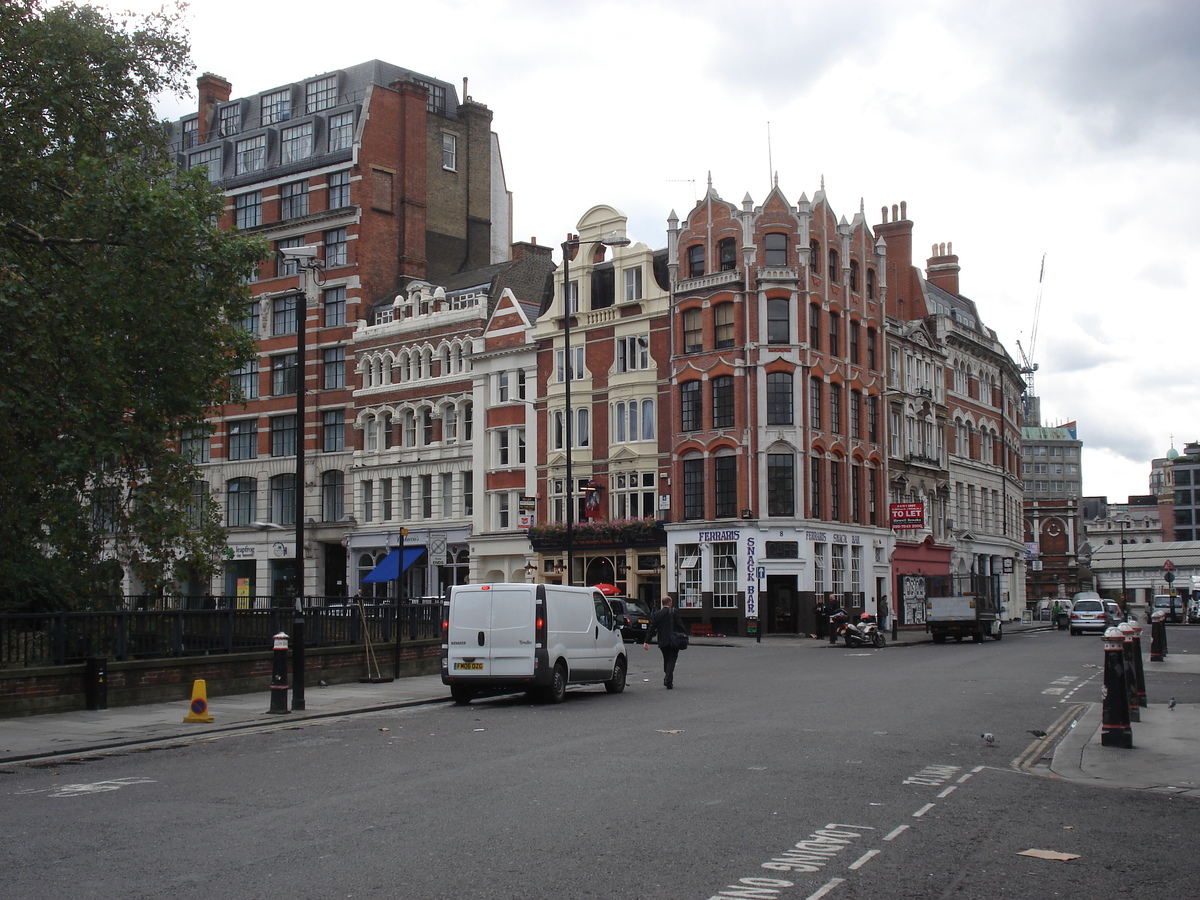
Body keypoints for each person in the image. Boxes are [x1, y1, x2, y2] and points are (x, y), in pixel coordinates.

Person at [643, 597, 686, 689]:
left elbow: (652, 628)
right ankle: (668, 678)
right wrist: (685, 635)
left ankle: (667, 676)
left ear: (663, 604)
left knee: (666, 659)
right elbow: (680, 625)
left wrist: (647, 641)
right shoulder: (674, 612)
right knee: (672, 659)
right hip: (674, 640)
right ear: (669, 603)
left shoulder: (657, 614)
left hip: (662, 640)